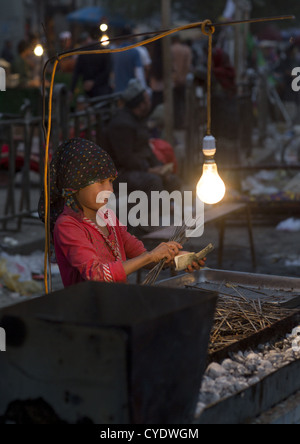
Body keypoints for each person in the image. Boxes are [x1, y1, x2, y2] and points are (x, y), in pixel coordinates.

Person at [38, 138, 204, 287]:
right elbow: (97, 275)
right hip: (88, 313)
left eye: (110, 182)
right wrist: (151, 256)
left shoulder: (107, 216)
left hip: (116, 304)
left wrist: (176, 258)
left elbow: (140, 254)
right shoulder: (67, 225)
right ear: (74, 186)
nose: (109, 190)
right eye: (101, 182)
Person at [106, 79, 180, 197]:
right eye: (147, 99)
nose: (150, 102)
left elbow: (146, 149)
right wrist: (148, 169)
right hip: (121, 173)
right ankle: (152, 213)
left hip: (138, 168)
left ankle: (172, 208)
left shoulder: (138, 120)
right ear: (141, 104)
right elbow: (126, 158)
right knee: (153, 181)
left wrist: (160, 167)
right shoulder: (121, 124)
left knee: (172, 180)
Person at [71, 32, 112, 98]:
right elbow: (108, 70)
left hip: (96, 89)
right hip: (100, 89)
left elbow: (76, 72)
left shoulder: (83, 53)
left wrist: (72, 90)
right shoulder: (103, 51)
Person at [112, 27, 146, 93]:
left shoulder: (114, 52)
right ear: (131, 37)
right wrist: (143, 91)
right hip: (131, 93)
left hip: (118, 92)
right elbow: (139, 74)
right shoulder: (134, 52)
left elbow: (112, 74)